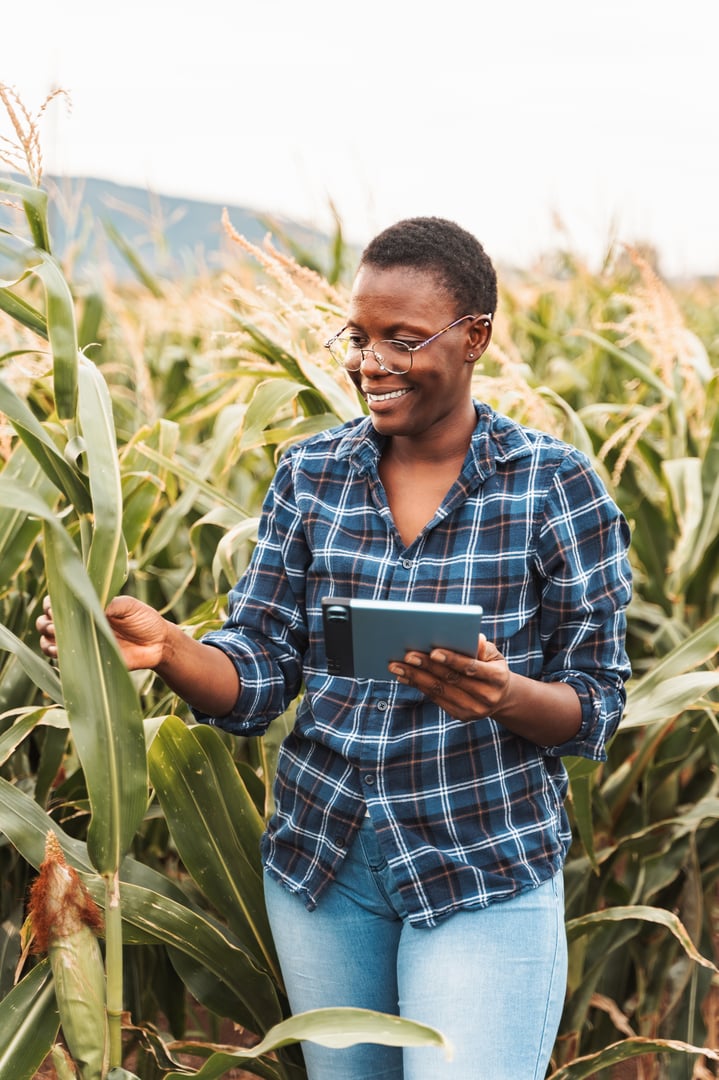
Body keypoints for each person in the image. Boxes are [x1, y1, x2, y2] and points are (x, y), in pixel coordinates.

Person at [38, 217, 632, 1080]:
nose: (369, 362)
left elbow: (596, 704)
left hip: (479, 865)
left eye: (401, 339)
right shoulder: (310, 474)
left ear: (474, 337)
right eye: (358, 338)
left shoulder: (554, 485)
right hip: (325, 868)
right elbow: (258, 675)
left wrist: (504, 695)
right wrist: (169, 649)